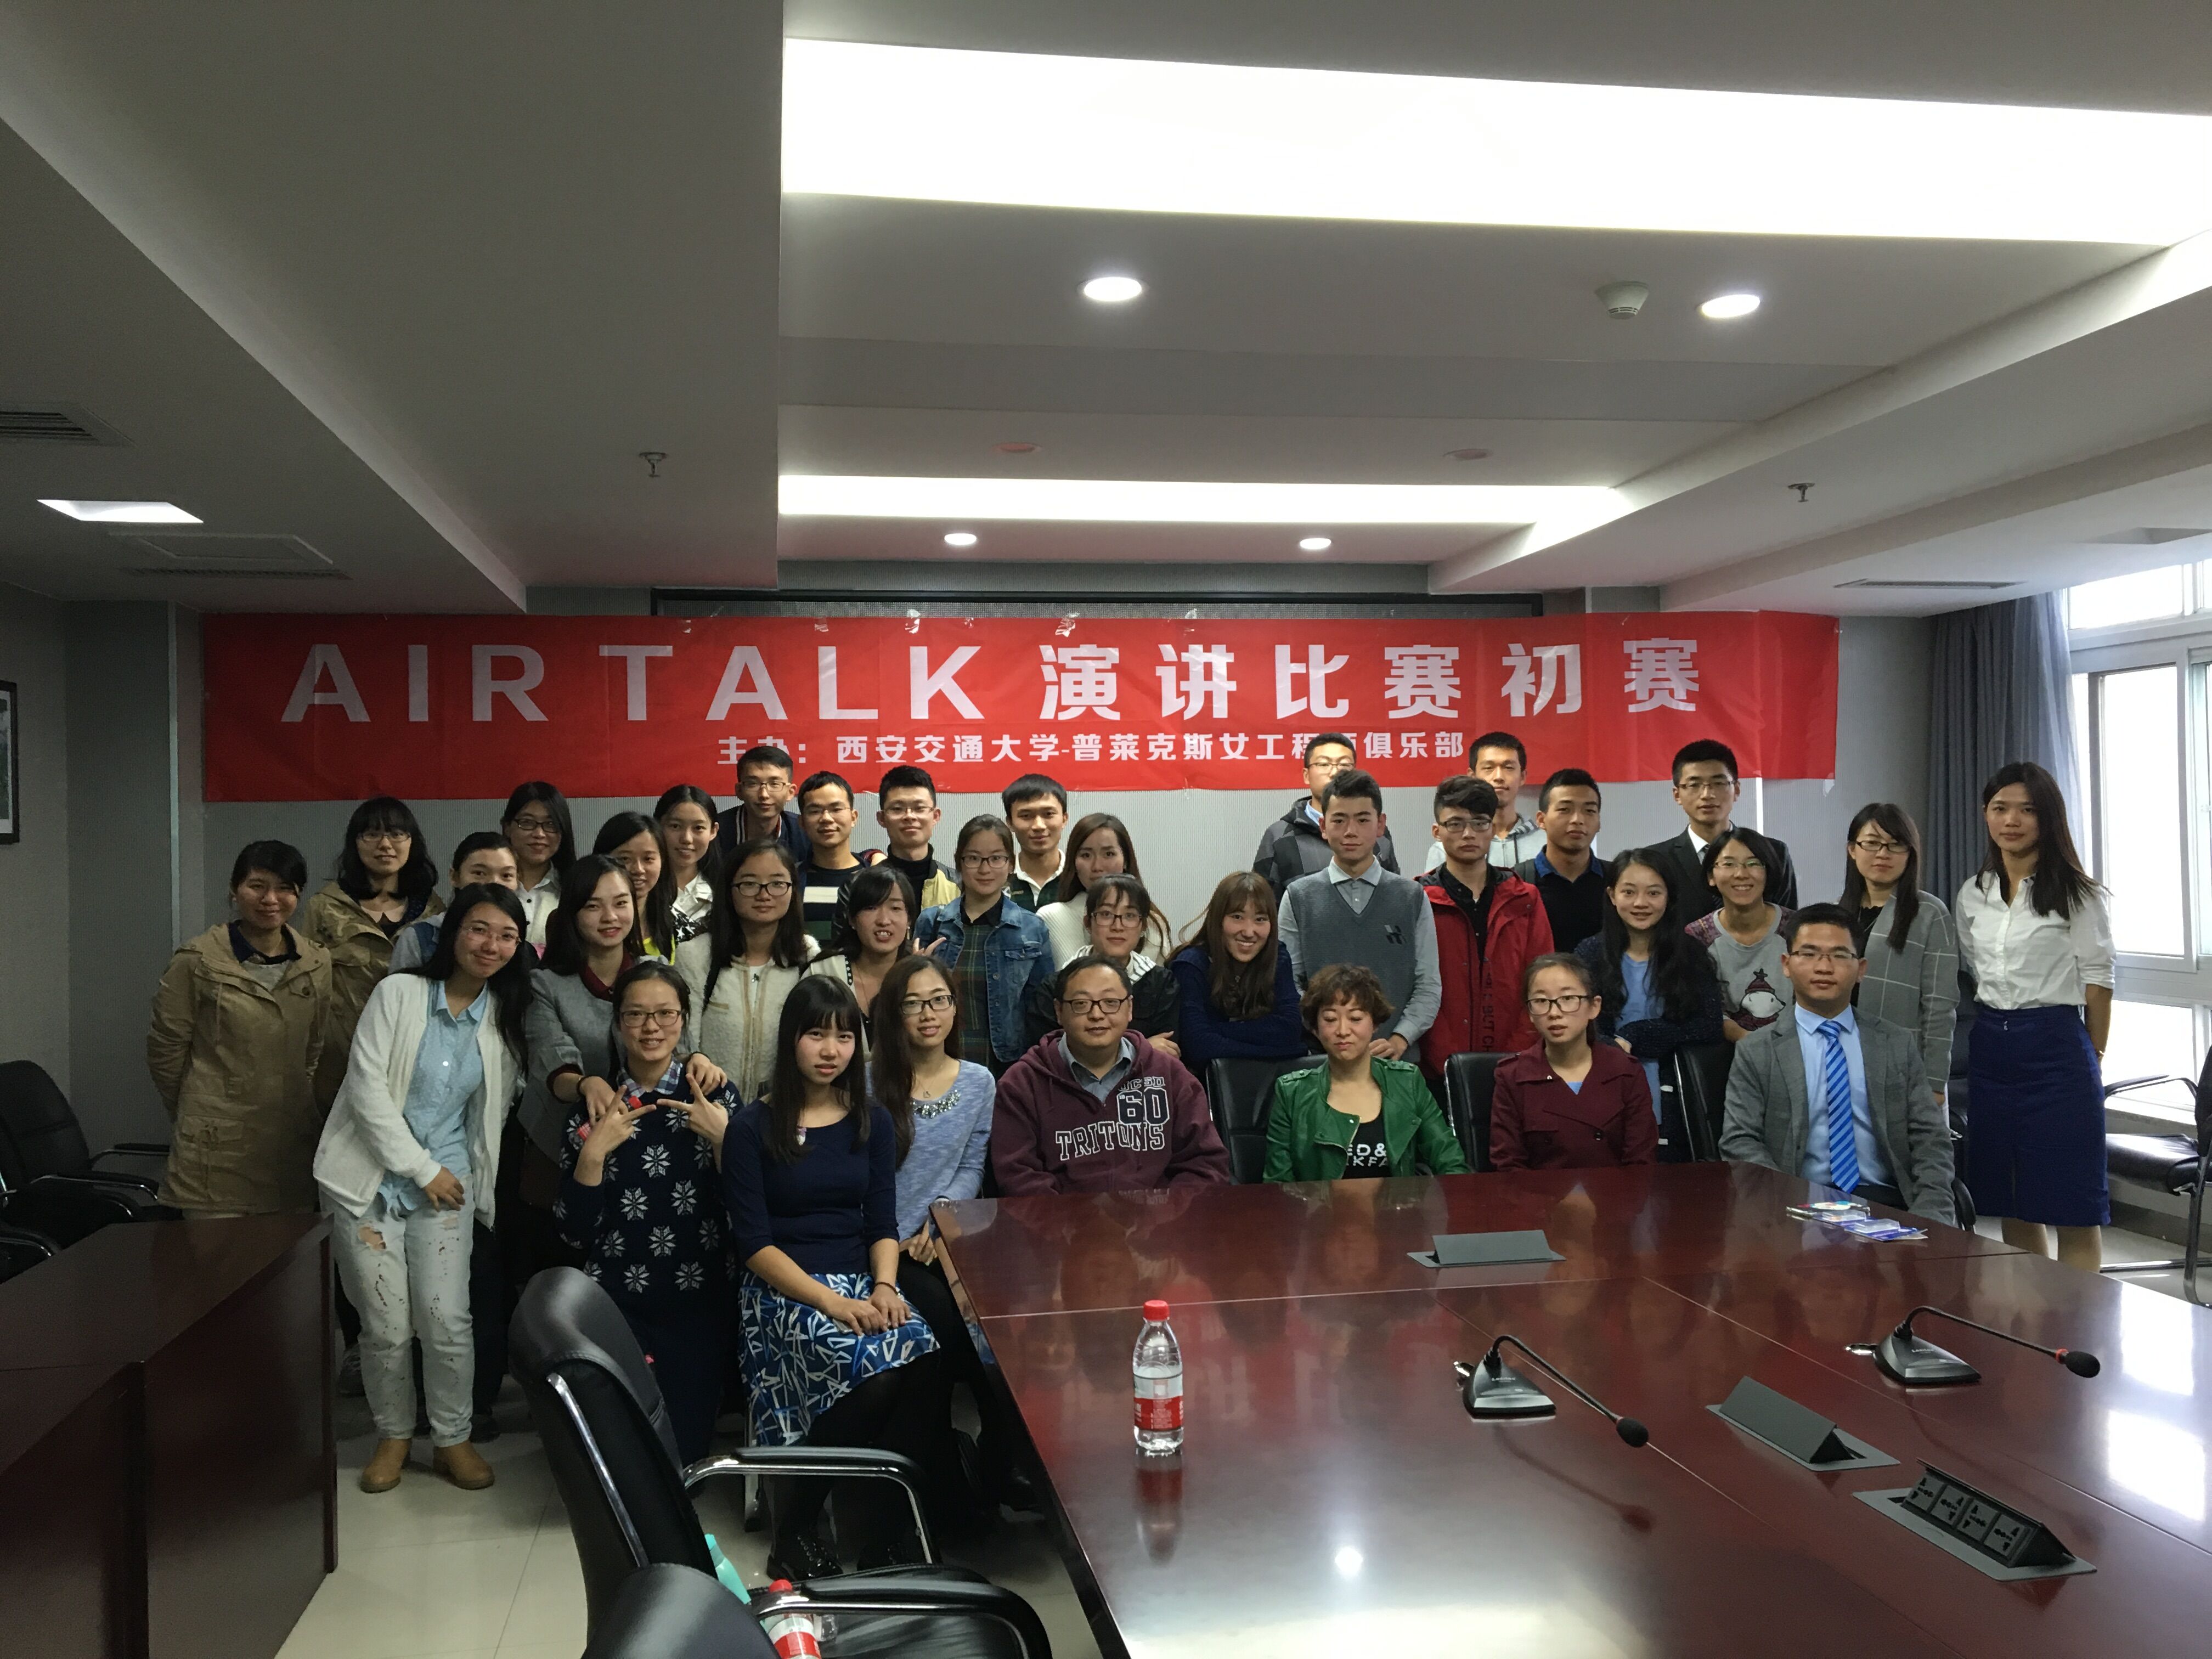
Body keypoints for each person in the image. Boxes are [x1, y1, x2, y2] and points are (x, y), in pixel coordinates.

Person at [721, 977, 955, 1579]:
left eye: (845, 1037)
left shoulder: (870, 1120)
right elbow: (754, 1246)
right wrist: (832, 1303)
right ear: (790, 1040)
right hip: (783, 1292)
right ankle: (796, 1530)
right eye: (816, 1035)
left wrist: (884, 1287)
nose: (831, 1050)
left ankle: (888, 1531)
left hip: (861, 1283)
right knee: (873, 1375)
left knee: (928, 1359)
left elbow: (880, 1220)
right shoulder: (751, 1127)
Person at [313, 884, 532, 1494]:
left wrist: (453, 1176)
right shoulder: (399, 994)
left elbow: (488, 1115)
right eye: (479, 929)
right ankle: (394, 1436)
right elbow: (366, 1090)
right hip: (368, 1182)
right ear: (453, 932)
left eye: (507, 936)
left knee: (446, 1318)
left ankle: (453, 1438)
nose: (491, 945)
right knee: (385, 1324)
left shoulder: (502, 1018)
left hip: (448, 1183)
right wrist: (418, 1168)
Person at [556, 961, 742, 1462]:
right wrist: (593, 1156)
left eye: (665, 1014)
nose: (651, 1027)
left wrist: (724, 1142)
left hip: (701, 1299)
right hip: (616, 1301)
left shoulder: (717, 1096)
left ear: (684, 1020)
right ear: (618, 1022)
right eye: (636, 1015)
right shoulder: (594, 1107)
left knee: (685, 1454)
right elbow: (574, 1232)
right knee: (626, 1450)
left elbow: (750, 1214)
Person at [522, 858, 725, 1286]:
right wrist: (585, 1083)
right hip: (564, 1142)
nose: (610, 917)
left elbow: (679, 1039)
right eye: (593, 906)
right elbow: (550, 1058)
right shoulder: (548, 983)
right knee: (566, 1269)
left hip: (648, 1147)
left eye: (621, 903)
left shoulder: (656, 968)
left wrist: (698, 1059)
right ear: (572, 912)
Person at [870, 954, 1026, 1505]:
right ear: (894, 1015)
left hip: (947, 1237)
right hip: (884, 1246)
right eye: (912, 1004)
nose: (928, 1014)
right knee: (950, 1325)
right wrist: (901, 1236)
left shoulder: (980, 1081)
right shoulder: (869, 1081)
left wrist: (937, 1222)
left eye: (938, 1000)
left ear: (955, 1008)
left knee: (999, 1328)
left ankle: (1001, 1463)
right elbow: (867, 1180)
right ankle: (948, 1483)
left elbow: (971, 1167)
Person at [1955, 761, 2114, 1272]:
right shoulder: (1973, 892)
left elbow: (2099, 983)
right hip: (1991, 1047)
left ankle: (2079, 1313)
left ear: (2047, 818)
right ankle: (2031, 1310)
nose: (2012, 821)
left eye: (2026, 810)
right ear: (1985, 814)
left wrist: (2095, 1054)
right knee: (2012, 1197)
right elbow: (1973, 968)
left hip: (2057, 1046)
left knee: (2072, 1202)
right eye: (2000, 808)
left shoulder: (2078, 893)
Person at [1719, 905, 1957, 1224]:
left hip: (1888, 1202)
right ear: (1786, 964)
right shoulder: (1757, 1051)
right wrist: (1786, 1210)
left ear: (1861, 969)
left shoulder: (1895, 1044)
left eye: (1840, 955)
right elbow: (1740, 1141)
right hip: (1796, 1203)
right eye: (1809, 954)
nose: (1824, 967)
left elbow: (1930, 1140)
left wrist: (1930, 1216)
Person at [148, 840, 334, 1215]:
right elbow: (166, 1054)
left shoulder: (316, 961)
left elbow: (312, 1050)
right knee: (217, 1253)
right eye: (257, 886)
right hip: (215, 1151)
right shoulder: (197, 960)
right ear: (234, 891)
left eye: (285, 888)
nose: (271, 899)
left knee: (290, 1251)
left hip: (289, 1147)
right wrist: (204, 1107)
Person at [991, 957, 1231, 1194]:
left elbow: (1204, 1163)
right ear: (1059, 1011)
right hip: (1062, 1218)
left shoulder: (1171, 1076)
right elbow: (1019, 1176)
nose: (1097, 1014)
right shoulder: (1022, 1083)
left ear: (1130, 1008)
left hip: (1160, 1216)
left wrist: (1168, 1213)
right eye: (1081, 1004)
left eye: (1111, 1002)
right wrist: (1067, 1218)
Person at [1277, 769, 1439, 1060]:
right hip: (1323, 1061)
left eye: (1363, 820)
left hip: (1397, 1062)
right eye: (1339, 820)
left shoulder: (1412, 896)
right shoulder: (1298, 897)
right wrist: (1332, 1035)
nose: (1350, 831)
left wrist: (1400, 1039)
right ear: (1323, 826)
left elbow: (1428, 985)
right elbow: (1290, 985)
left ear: (1380, 825)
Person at [301, 795, 445, 1107]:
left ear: (412, 842)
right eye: (372, 834)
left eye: (396, 834)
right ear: (355, 842)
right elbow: (306, 987)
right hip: (340, 1056)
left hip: (410, 1051)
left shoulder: (433, 909)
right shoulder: (326, 907)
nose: (385, 845)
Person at [1263, 964, 1468, 1181]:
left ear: (1375, 1023)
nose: (1343, 1031)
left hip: (1399, 1204)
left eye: (1356, 1018)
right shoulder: (1292, 1092)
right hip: (1320, 1205)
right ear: (1315, 1028)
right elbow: (1278, 1184)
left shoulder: (1408, 1081)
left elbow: (1450, 1162)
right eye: (1330, 1019)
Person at [1574, 853, 1725, 1135]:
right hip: (1600, 1093)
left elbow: (1709, 1026)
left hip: (1677, 1099)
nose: (1640, 903)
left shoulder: (1691, 954)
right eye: (1629, 892)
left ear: (1669, 897)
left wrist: (1637, 1035)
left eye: (1654, 893)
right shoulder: (1589, 954)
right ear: (1612, 895)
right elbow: (1577, 1025)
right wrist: (1611, 1046)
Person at [1418, 775, 1551, 1079]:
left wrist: (1515, 1056)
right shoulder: (1418, 899)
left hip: (1518, 1063)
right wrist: (1449, 1063)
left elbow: (1542, 982)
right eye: (1455, 824)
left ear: (1492, 828)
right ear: (1437, 832)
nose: (1468, 834)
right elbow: (1416, 987)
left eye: (1479, 823)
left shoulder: (1525, 898)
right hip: (1436, 1068)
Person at [679, 840, 820, 1104]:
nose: (764, 894)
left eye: (777, 883)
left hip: (782, 1109)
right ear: (729, 890)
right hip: (708, 1105)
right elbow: (683, 1039)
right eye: (750, 883)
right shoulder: (696, 955)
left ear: (793, 889)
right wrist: (695, 1059)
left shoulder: (807, 956)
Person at [1491, 955, 1657, 1172]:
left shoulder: (1625, 1070)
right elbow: (1509, 1167)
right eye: (1541, 1001)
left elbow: (1641, 1162)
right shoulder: (1513, 1076)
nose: (1554, 1013)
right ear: (1529, 1013)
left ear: (1594, 1007)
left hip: (1614, 1192)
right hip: (1542, 1193)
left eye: (1568, 998)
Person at [1839, 804, 1960, 1102]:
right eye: (1872, 843)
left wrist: (1935, 1083)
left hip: (1902, 1066)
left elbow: (1940, 1006)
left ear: (1910, 854)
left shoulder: (1929, 913)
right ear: (1852, 850)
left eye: (1896, 845)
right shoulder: (1837, 914)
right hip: (1840, 1061)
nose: (1883, 854)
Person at [916, 816, 1054, 1075]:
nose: (985, 869)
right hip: (941, 1060)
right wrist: (914, 974)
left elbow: (1042, 1012)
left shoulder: (1032, 928)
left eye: (996, 858)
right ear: (959, 862)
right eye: (974, 858)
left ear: (1011, 864)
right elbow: (910, 1002)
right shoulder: (932, 923)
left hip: (1008, 1067)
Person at [1645, 741, 1800, 924]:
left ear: (1737, 790)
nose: (1707, 795)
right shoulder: (1655, 860)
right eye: (1694, 785)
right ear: (1677, 795)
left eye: (1718, 783)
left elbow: (1787, 925)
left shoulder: (1774, 852)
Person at [1023, 874, 1180, 1053]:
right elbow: (1047, 1053)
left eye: (1130, 916)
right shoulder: (1055, 985)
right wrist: (1142, 1049)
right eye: (1106, 914)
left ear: (1143, 926)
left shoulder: (1162, 983)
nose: (1118, 926)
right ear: (1088, 923)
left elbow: (1168, 1051)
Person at [1169, 872, 1305, 1078]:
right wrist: (1286, 1051)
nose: (1249, 932)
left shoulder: (1278, 957)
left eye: (1260, 919)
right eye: (1237, 917)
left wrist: (1217, 1031)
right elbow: (1197, 1047)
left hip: (1271, 1083)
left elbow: (1291, 1029)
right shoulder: (1190, 966)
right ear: (1218, 919)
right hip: (1205, 1085)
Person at [1254, 732, 1400, 900]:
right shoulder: (1280, 835)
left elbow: (1394, 893)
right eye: (1324, 764)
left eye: (1344, 764)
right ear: (1306, 775)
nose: (1334, 772)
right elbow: (1263, 905)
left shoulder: (1375, 831)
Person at [1685, 827, 1796, 1041]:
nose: (1741, 874)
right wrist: (1755, 1046)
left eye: (1753, 864)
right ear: (1711, 876)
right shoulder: (1697, 936)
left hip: (1795, 1045)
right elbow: (1704, 1011)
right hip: (1726, 1050)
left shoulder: (1796, 928)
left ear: (1768, 872)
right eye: (1729, 864)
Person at [806, 865, 917, 1053]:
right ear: (852, 919)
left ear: (909, 920)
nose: (884, 920)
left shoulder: (920, 979)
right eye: (871, 908)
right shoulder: (823, 974)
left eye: (895, 908)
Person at [1036, 812, 1169, 967]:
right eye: (1086, 855)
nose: (1097, 866)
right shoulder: (1051, 917)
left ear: (1126, 860)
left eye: (1109, 854)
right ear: (1074, 862)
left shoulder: (1153, 922)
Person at [391, 832, 522, 972]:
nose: (494, 883)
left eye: (506, 875)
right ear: (455, 877)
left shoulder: (518, 938)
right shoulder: (421, 937)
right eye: (479, 873)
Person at [1515, 769, 1610, 954]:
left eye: (1589, 811)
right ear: (1541, 820)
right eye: (1565, 810)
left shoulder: (1617, 881)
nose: (1578, 820)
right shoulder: (1517, 882)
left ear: (1599, 822)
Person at [1423, 731, 1544, 872]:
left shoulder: (1546, 843)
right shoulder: (1449, 846)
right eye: (1488, 768)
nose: (1499, 777)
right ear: (1472, 776)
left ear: (1522, 777)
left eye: (1509, 768)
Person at [795, 771, 884, 947]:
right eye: (815, 811)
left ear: (854, 817)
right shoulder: (790, 881)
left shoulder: (874, 878)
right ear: (802, 823)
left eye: (836, 809)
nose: (826, 819)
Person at [872, 765, 959, 916]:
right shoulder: (860, 885)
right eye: (897, 809)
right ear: (882, 818)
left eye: (919, 808)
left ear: (936, 816)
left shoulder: (960, 886)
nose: (909, 816)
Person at [595, 811, 679, 961]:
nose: (638, 869)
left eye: (648, 859)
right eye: (625, 859)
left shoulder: (674, 922)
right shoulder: (590, 921)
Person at [501, 782, 576, 949]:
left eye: (551, 824)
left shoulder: (574, 889)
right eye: (527, 822)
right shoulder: (489, 884)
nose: (539, 834)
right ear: (507, 827)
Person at [714, 744, 811, 865]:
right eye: (753, 784)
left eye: (774, 784)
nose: (764, 795)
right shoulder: (714, 832)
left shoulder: (805, 831)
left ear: (790, 792)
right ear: (739, 791)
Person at [654, 786, 723, 946]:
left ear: (713, 831)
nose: (687, 839)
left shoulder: (725, 891)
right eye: (675, 826)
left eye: (698, 828)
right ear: (657, 826)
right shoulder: (642, 887)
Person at [1000, 774, 1070, 911]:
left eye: (1048, 814)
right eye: (1026, 816)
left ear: (1064, 819)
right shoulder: (996, 880)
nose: (1039, 826)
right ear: (1010, 823)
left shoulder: (1080, 878)